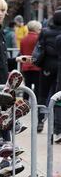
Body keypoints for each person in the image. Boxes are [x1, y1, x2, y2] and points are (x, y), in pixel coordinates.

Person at [34, 10, 61, 139]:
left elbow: (39, 47)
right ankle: (57, 127)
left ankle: (40, 120)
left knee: (43, 94)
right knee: (58, 97)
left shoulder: (45, 32)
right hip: (59, 68)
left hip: (47, 67)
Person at [19, 20, 42, 102]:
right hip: (36, 66)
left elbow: (21, 52)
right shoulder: (38, 39)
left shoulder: (23, 39)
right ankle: (36, 104)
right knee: (37, 87)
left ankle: (24, 103)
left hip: (26, 66)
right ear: (36, 29)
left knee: (27, 86)